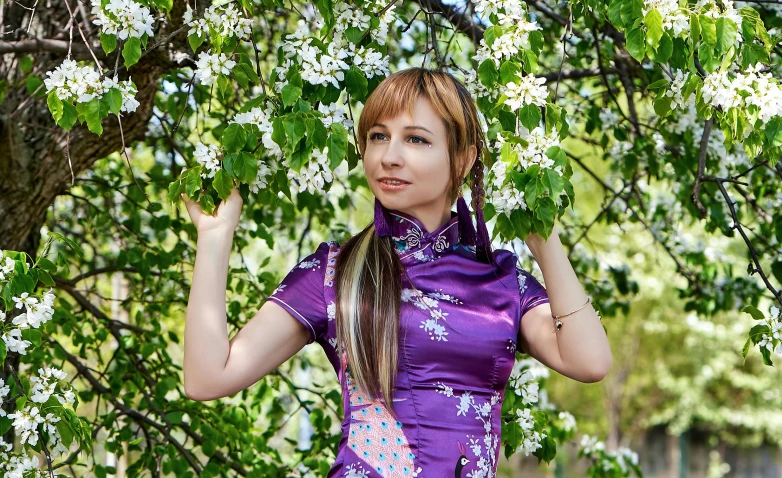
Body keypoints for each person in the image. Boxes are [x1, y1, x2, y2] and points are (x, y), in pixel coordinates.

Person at [182, 67, 612, 477]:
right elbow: (207, 377)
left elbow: (590, 361)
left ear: (462, 160)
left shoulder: (502, 280)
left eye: (416, 140)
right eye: (378, 136)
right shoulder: (334, 272)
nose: (389, 156)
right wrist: (215, 237)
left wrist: (544, 242)